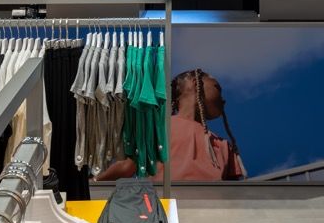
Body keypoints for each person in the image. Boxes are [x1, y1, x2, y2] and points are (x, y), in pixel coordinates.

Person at [96, 68, 245, 181]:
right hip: (165, 210)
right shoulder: (158, 129)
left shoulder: (224, 146)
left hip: (210, 215)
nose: (223, 99)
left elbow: (235, 194)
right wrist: (92, 182)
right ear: (195, 83)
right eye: (217, 88)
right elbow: (126, 167)